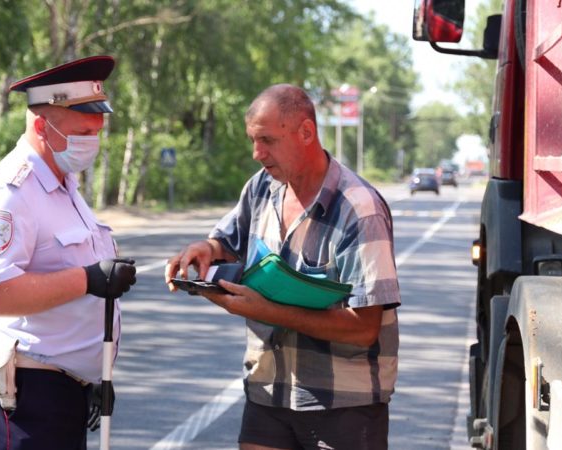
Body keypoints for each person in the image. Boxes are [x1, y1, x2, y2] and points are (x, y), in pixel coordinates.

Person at [165, 84, 401, 450]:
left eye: (268, 140)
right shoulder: (262, 188)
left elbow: (364, 329)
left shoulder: (359, 209)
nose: (257, 153)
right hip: (267, 394)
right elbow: (226, 243)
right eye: (252, 140)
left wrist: (269, 311)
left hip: (343, 406)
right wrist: (205, 249)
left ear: (306, 132)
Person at [0, 55, 136, 450]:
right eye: (82, 132)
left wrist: (91, 377)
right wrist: (89, 279)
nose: (92, 142)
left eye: (97, 131)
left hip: (63, 390)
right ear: (42, 125)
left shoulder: (64, 184)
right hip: (27, 396)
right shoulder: (11, 193)